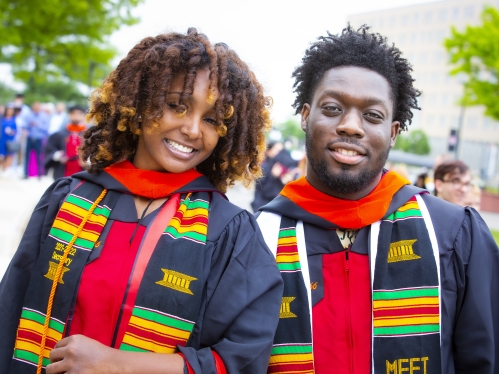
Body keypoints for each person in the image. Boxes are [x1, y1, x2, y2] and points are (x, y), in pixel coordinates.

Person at [0, 28, 282, 374]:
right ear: (139, 103)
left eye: (212, 119)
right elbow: (9, 315)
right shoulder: (68, 200)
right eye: (177, 106)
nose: (193, 129)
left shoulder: (229, 232)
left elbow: (243, 357)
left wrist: (116, 364)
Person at [256, 25, 499, 374]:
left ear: (394, 132)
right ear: (306, 116)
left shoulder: (452, 234)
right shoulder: (255, 238)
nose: (351, 126)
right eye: (333, 107)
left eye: (372, 115)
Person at [251, 141, 298, 212]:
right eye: (277, 150)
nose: (280, 154)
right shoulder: (263, 167)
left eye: (282, 151)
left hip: (273, 207)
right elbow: (265, 191)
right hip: (262, 207)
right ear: (269, 151)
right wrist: (273, 176)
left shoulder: (279, 167)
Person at [45, 105, 87, 179]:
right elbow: (50, 148)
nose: (76, 116)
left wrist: (88, 160)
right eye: (74, 113)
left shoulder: (89, 135)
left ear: (83, 116)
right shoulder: (59, 134)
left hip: (82, 169)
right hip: (63, 168)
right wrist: (58, 155)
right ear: (69, 115)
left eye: (79, 114)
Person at [23, 101, 49, 178]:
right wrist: (28, 126)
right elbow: (25, 125)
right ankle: (26, 173)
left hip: (39, 139)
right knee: (27, 156)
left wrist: (38, 125)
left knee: (39, 156)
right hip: (30, 138)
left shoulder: (44, 116)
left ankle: (39, 174)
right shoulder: (29, 115)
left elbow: (46, 128)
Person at [0, 104, 18, 172]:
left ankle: (6, 170)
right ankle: (4, 167)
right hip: (2, 139)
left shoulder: (14, 120)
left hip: (10, 140)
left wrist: (11, 131)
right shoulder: (2, 119)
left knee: (9, 156)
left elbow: (16, 131)